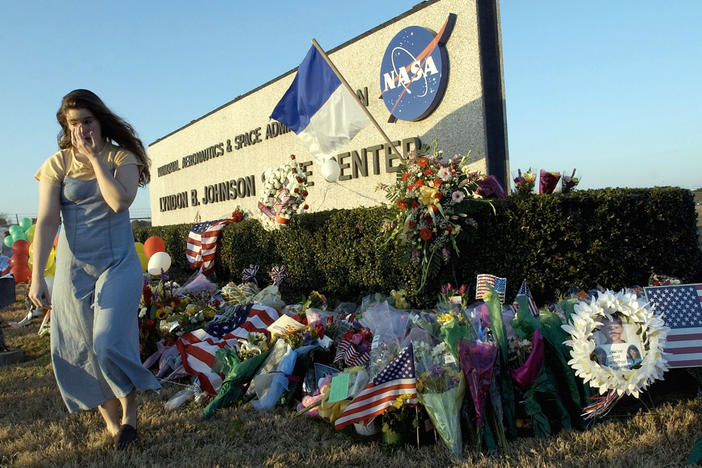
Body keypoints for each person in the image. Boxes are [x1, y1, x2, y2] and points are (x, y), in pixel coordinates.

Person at [28, 89, 160, 450]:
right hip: (74, 269)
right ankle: (115, 425)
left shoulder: (122, 157)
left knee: (107, 341)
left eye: (87, 120)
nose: (82, 129)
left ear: (100, 120)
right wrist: (38, 276)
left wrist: (96, 160)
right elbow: (46, 221)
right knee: (81, 347)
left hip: (118, 263)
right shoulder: (57, 164)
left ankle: (130, 411)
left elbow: (119, 201)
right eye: (74, 124)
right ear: (66, 128)